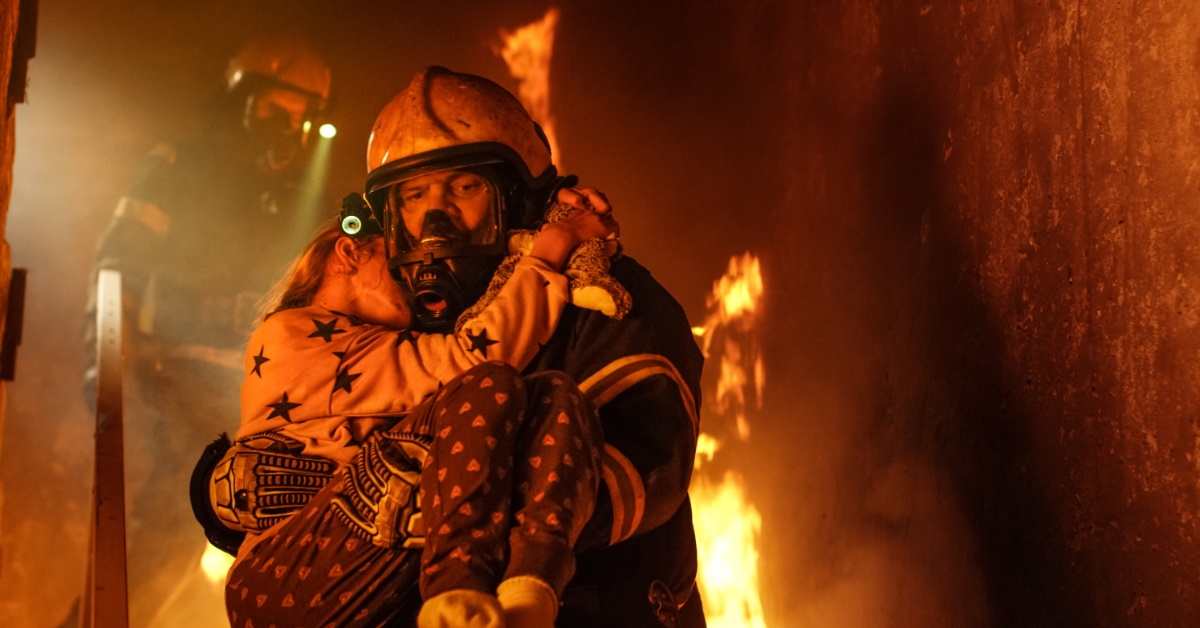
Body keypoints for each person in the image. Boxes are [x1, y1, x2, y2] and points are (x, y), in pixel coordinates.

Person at [357, 66, 705, 627]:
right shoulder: (391, 323)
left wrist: (454, 516)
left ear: (518, 197)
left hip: (596, 609)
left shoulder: (608, 297)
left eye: (464, 187)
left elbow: (647, 464)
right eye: (414, 195)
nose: (434, 219)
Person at [211, 181, 615, 628]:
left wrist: (546, 211)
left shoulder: (370, 348)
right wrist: (553, 246)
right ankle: (456, 594)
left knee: (553, 396)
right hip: (283, 577)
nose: (414, 278)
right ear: (349, 254)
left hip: (355, 565)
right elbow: (474, 359)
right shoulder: (292, 332)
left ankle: (529, 598)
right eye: (396, 262)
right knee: (488, 383)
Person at [84, 36, 333, 627]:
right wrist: (106, 364)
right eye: (276, 108)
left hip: (265, 389)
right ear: (241, 101)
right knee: (171, 524)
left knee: (271, 543)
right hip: (174, 369)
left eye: (302, 116)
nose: (288, 127)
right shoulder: (182, 165)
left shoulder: (306, 195)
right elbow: (117, 262)